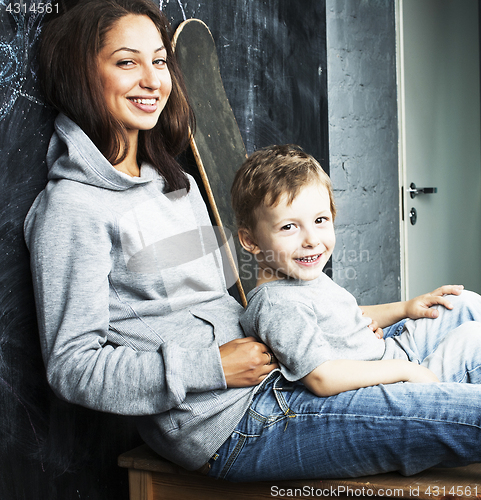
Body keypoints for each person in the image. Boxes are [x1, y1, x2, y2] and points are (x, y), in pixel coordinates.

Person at [25, 0, 481, 484]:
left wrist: (341, 330)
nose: (153, 79)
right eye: (126, 62)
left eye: (159, 61)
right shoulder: (72, 209)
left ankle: (433, 402)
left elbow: (239, 299)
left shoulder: (172, 182)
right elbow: (72, 368)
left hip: (283, 366)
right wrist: (211, 367)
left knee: (464, 311)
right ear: (81, 75)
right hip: (233, 421)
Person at [231, 144, 481, 398]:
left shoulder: (301, 277)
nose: (312, 240)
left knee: (461, 302)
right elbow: (322, 377)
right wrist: (404, 370)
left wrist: (406, 308)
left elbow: (343, 314)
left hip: (392, 354)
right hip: (392, 383)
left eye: (320, 220)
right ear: (250, 241)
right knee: (474, 343)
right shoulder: (278, 304)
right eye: (288, 227)